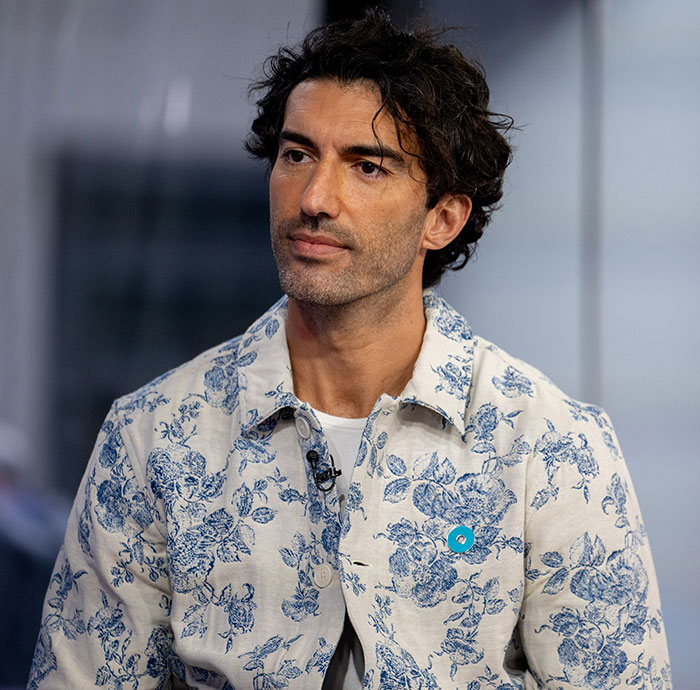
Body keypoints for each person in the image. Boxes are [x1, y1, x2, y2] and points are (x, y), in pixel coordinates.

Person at [29, 10, 672, 689]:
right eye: (297, 155)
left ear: (443, 219)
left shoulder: (552, 447)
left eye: (367, 166)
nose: (313, 198)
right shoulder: (154, 436)